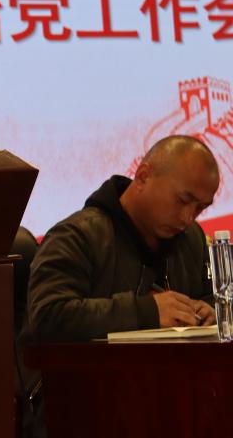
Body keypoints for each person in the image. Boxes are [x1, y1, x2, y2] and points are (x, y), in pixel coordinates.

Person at [27, 135, 219, 344]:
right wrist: (146, 312)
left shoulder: (192, 238)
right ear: (143, 176)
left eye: (201, 208)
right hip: (92, 366)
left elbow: (214, 297)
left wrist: (211, 312)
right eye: (182, 200)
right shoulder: (76, 236)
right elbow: (47, 316)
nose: (188, 218)